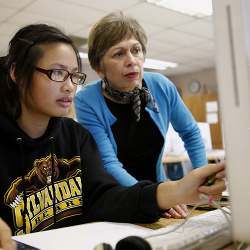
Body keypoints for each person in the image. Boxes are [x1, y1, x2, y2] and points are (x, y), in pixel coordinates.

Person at [0, 23, 225, 250]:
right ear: (17, 73)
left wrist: (178, 191)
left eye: (73, 76)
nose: (69, 87)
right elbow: (110, 165)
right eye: (57, 73)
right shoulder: (87, 104)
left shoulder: (76, 137)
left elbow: (105, 197)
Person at [74, 11, 207, 218]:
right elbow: (109, 164)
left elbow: (190, 133)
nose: (131, 60)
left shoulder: (161, 86)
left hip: (158, 190)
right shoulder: (86, 100)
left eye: (136, 50)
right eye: (119, 54)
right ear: (99, 68)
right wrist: (155, 198)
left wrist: (203, 183)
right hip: (117, 198)